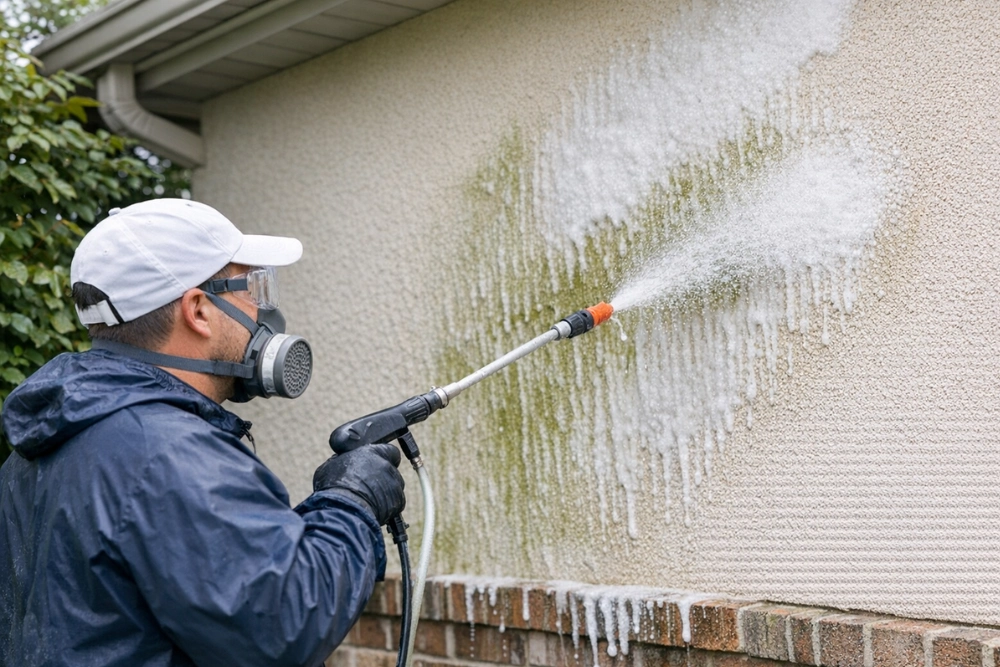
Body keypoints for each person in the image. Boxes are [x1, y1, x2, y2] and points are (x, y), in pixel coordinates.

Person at [0, 199, 406, 667]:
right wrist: (351, 501)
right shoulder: (167, 453)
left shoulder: (43, 445)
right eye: (252, 288)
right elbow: (284, 623)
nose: (263, 311)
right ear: (198, 310)